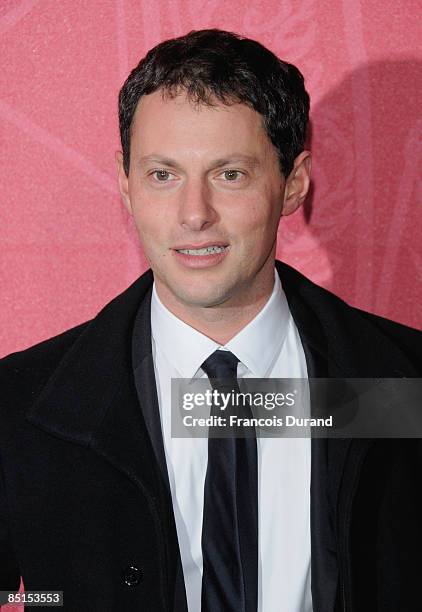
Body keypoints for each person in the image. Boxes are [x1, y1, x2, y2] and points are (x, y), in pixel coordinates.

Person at [0, 28, 421, 612]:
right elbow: (24, 593)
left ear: (292, 184)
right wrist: (55, 601)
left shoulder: (407, 386)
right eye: (163, 175)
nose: (194, 215)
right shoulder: (19, 406)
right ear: (125, 182)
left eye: (230, 174)